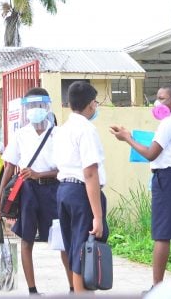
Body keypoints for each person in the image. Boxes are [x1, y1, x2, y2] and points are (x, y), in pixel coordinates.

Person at [110, 83, 171, 289]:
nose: (157, 102)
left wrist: (127, 138)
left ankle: (157, 287)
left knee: (162, 234)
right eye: (157, 97)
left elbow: (150, 154)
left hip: (168, 179)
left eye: (162, 98)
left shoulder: (168, 124)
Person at [0, 87, 72, 296]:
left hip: (54, 189)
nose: (35, 110)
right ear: (26, 109)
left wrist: (40, 174)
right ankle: (32, 289)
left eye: (39, 105)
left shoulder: (59, 133)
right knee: (26, 239)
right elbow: (9, 168)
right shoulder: (21, 134)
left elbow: (64, 168)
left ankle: (74, 287)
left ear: (47, 107)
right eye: (31, 106)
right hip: (27, 191)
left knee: (63, 239)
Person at [53, 81, 109, 294]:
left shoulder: (62, 130)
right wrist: (97, 215)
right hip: (81, 193)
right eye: (96, 102)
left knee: (76, 249)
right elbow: (90, 172)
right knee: (84, 252)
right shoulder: (86, 129)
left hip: (64, 191)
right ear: (91, 105)